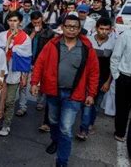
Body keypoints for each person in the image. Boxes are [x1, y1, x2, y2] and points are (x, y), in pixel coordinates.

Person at [31, 15, 99, 167]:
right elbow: (40, 63)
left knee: (66, 128)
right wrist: (34, 82)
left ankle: (62, 161)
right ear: (62, 27)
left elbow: (94, 72)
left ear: (79, 29)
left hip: (74, 95)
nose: (71, 29)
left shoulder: (86, 48)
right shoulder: (53, 44)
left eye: (75, 27)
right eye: (68, 26)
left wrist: (91, 94)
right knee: (53, 121)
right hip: (53, 92)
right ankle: (55, 140)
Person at [110, 16, 131, 166]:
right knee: (123, 109)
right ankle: (120, 131)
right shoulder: (127, 36)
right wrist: (117, 76)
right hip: (125, 78)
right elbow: (115, 57)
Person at [76, 17, 115, 141]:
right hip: (88, 78)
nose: (103, 31)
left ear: (110, 30)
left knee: (96, 104)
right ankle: (84, 129)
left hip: (103, 79)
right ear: (96, 28)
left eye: (106, 29)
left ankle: (89, 123)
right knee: (87, 103)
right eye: (101, 28)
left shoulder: (114, 44)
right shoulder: (88, 41)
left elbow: (113, 65)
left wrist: (108, 82)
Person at [0, 11, 32, 136]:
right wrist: (9, 42)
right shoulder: (2, 35)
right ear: (7, 22)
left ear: (20, 22)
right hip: (1, 72)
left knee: (10, 101)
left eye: (15, 21)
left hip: (15, 72)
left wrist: (24, 76)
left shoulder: (26, 39)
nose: (13, 23)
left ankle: (6, 124)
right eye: (10, 20)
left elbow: (26, 58)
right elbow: (0, 54)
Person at [24, 11, 56, 132]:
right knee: (25, 81)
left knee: (42, 81)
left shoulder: (48, 30)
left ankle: (40, 101)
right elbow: (25, 42)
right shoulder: (28, 29)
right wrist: (33, 32)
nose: (37, 23)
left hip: (41, 58)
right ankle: (23, 104)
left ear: (42, 19)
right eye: (34, 22)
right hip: (29, 57)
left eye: (38, 21)